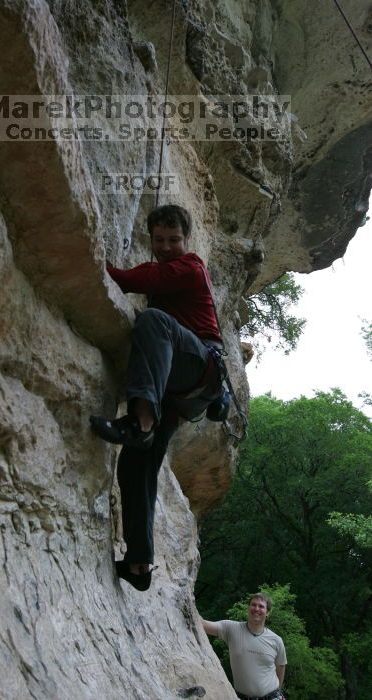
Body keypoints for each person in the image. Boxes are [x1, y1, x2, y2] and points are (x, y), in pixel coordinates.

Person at [90, 204, 224, 592]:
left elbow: (137, 278)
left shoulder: (191, 267)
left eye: (174, 240)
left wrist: (97, 265)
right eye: (159, 240)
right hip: (179, 390)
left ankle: (141, 421)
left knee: (153, 321)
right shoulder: (172, 268)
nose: (166, 247)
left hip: (199, 364)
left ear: (188, 240)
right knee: (136, 466)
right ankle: (138, 564)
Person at [201, 592, 287, 700]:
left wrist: (278, 691)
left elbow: (281, 667)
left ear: (267, 612)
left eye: (261, 606)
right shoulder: (231, 628)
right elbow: (202, 625)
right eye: (253, 605)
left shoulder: (276, 641)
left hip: (271, 697)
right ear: (248, 607)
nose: (256, 608)